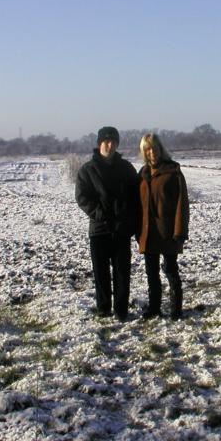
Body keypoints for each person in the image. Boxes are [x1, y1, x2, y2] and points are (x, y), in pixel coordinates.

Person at [75, 126, 139, 321]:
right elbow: (82, 197)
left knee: (122, 272)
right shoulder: (87, 169)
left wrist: (127, 217)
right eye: (106, 141)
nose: (109, 145)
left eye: (113, 142)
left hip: (121, 229)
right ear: (99, 143)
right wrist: (100, 214)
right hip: (99, 229)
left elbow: (136, 196)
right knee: (101, 273)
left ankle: (121, 310)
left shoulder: (127, 168)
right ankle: (103, 308)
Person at [137, 133, 190, 320]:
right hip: (148, 232)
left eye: (154, 148)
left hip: (168, 232)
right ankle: (154, 307)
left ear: (160, 149)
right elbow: (138, 205)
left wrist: (180, 231)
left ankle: (176, 309)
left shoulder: (173, 173)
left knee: (170, 269)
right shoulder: (142, 175)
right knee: (151, 273)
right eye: (147, 149)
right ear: (144, 151)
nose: (152, 152)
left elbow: (181, 204)